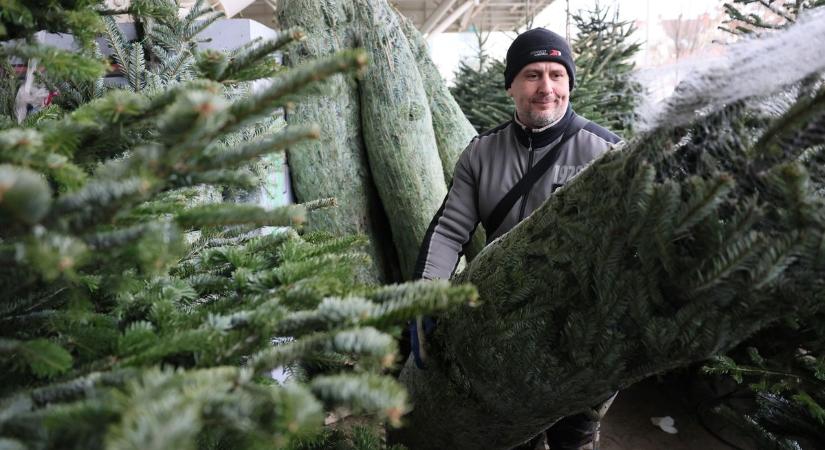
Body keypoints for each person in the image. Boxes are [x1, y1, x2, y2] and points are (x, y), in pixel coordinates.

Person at [411, 28, 622, 450]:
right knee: (509, 434)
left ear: (569, 84)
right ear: (511, 85)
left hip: (574, 334)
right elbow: (450, 228)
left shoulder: (606, 153)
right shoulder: (481, 153)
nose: (546, 88)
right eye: (532, 74)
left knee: (573, 438)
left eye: (556, 75)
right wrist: (428, 293)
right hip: (502, 328)